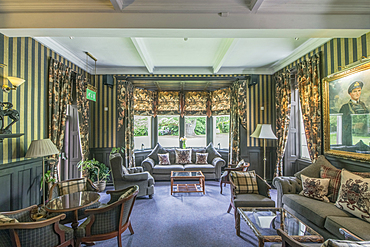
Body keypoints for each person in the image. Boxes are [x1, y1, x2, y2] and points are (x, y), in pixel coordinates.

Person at [339, 81, 369, 145]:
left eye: (359, 90)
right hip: (350, 138)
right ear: (350, 93)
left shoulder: (364, 106)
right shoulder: (345, 107)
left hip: (365, 135)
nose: (357, 93)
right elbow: (342, 125)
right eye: (355, 91)